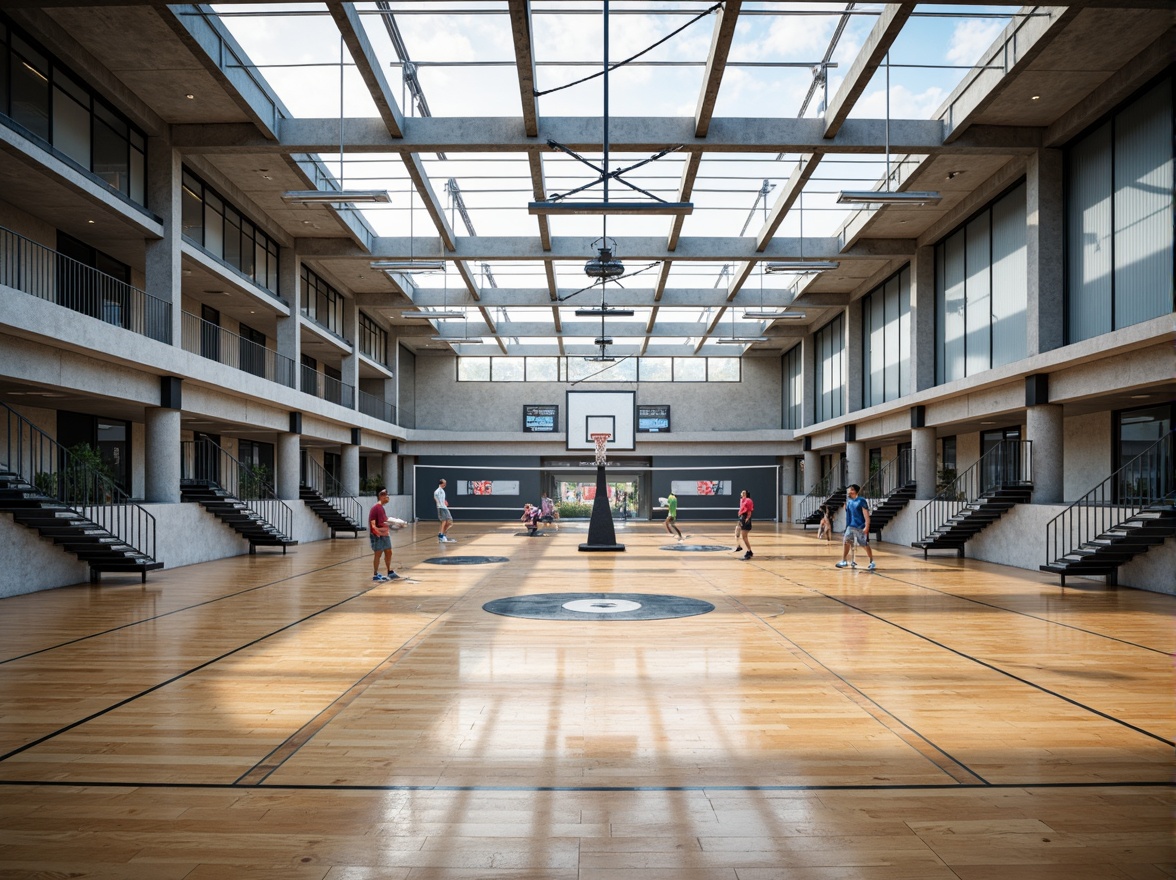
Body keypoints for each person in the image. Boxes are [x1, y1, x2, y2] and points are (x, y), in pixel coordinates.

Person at [837, 484, 876, 570]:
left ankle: (872, 561)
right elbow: (849, 513)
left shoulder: (861, 501)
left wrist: (867, 526)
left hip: (860, 526)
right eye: (849, 490)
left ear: (855, 491)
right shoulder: (849, 501)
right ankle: (844, 561)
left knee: (864, 544)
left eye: (851, 490)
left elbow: (866, 515)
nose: (849, 492)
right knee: (846, 541)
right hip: (850, 526)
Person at [368, 488, 400, 582]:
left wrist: (395, 523)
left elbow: (384, 520)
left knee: (388, 551)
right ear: (381, 496)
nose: (388, 497)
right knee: (378, 553)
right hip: (378, 535)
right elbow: (373, 523)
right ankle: (375, 574)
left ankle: (389, 571)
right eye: (386, 496)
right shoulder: (376, 508)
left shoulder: (381, 508)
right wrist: (376, 532)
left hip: (384, 534)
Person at [434, 478, 456, 543]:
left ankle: (442, 534)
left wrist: (445, 502)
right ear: (441, 483)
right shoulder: (437, 491)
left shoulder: (442, 491)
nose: (445, 484)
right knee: (444, 521)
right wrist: (439, 504)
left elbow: (443, 499)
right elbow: (435, 498)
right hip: (441, 508)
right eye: (444, 483)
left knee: (450, 522)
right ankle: (441, 536)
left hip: (445, 507)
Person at [735, 489, 754, 560]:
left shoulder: (748, 500)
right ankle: (739, 546)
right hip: (741, 518)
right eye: (742, 493)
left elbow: (749, 511)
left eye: (744, 493)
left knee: (744, 536)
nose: (742, 494)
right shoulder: (742, 500)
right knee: (737, 531)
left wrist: (747, 519)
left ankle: (749, 551)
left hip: (745, 518)